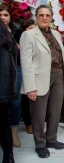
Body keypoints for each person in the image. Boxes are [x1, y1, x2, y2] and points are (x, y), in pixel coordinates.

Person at [20, 5, 64, 158]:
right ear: (36, 16)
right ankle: (40, 144)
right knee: (39, 114)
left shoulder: (55, 33)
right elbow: (26, 62)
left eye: (47, 15)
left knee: (55, 110)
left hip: (58, 76)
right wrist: (30, 87)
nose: (44, 18)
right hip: (39, 78)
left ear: (51, 17)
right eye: (41, 15)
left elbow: (61, 56)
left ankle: (51, 139)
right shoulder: (29, 35)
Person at [0, 5, 23, 147]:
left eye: (5, 15)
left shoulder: (17, 33)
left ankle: (13, 132)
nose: (2, 17)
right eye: (0, 15)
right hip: (3, 73)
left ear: (10, 17)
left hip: (17, 69)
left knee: (16, 103)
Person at [0, 20, 17, 163]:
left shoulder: (6, 38)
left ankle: (8, 155)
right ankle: (9, 156)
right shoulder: (7, 37)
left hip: (3, 88)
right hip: (5, 90)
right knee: (4, 123)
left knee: (3, 123)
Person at [20, 18, 36, 135]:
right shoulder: (25, 37)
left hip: (39, 74)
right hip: (23, 70)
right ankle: (28, 123)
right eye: (29, 28)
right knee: (25, 99)